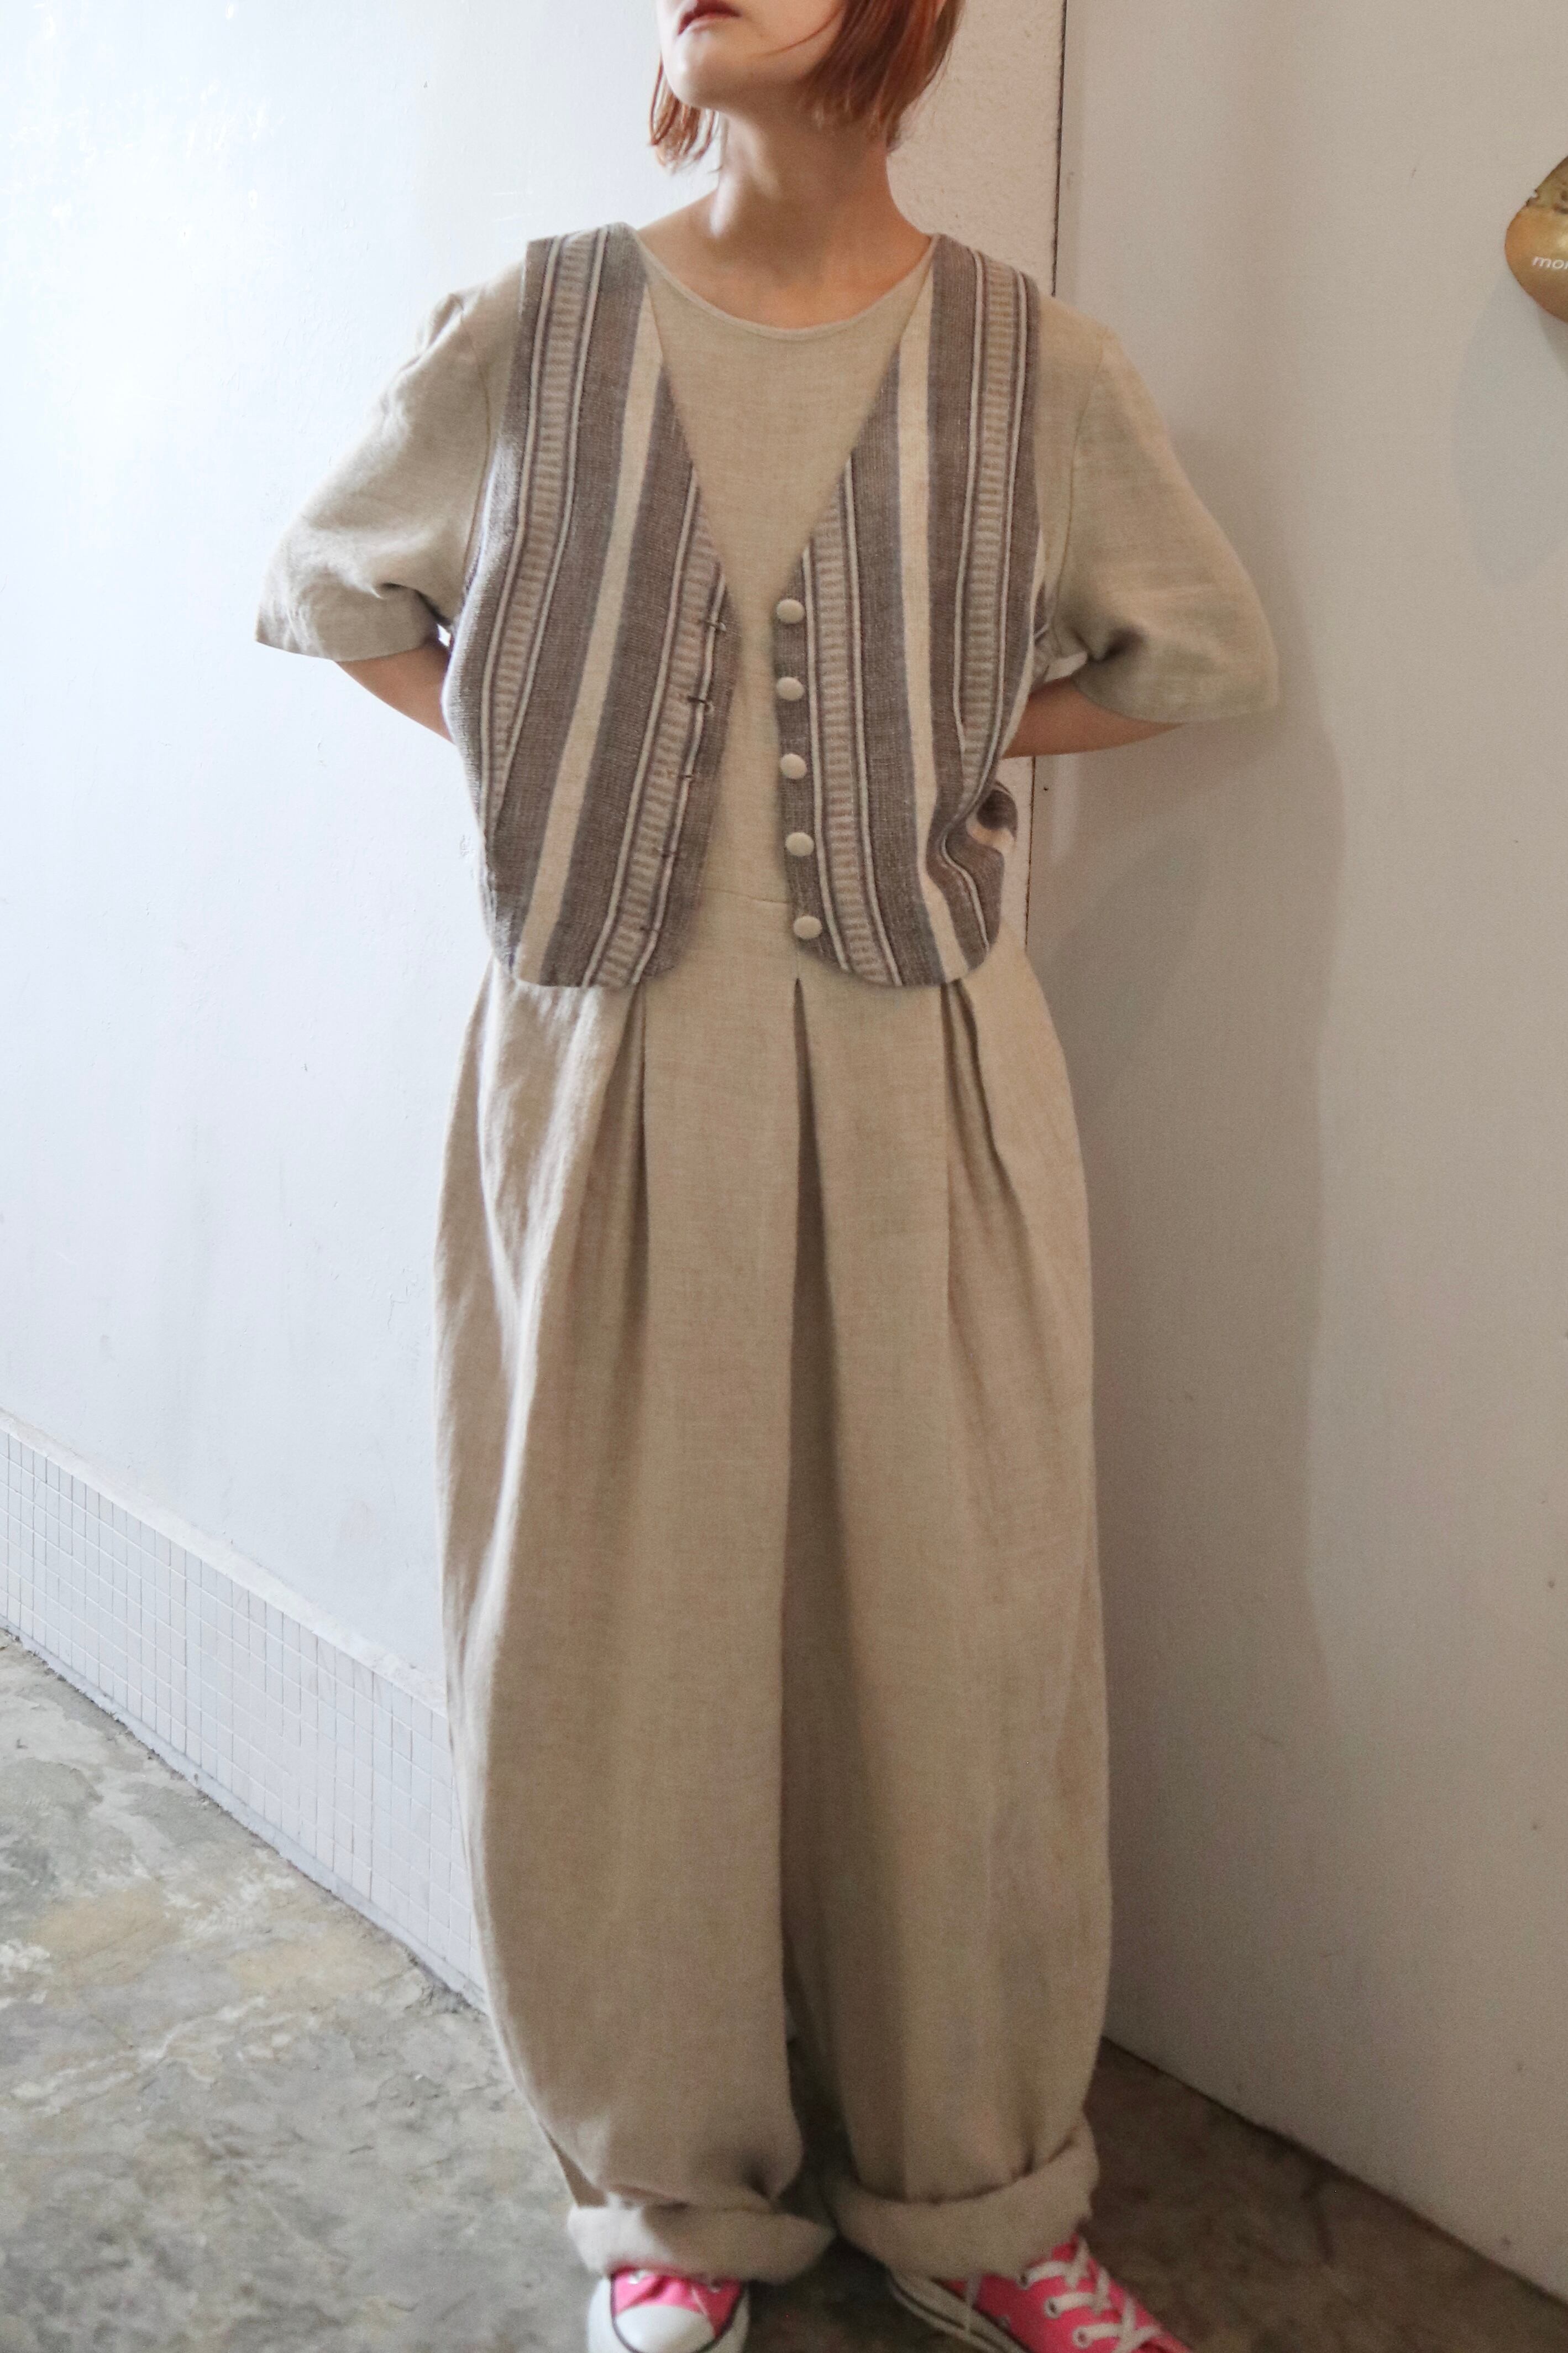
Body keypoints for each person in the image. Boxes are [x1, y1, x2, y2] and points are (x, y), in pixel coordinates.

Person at [255, 3, 1278, 2349]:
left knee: (959, 1636)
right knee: (617, 1636)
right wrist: (543, 740)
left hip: (923, 1079)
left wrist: (938, 724)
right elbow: (338, 581)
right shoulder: (538, 326)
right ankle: (667, 2204)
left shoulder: (1029, 368)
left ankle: (982, 2197)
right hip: (613, 1072)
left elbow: (1195, 656)